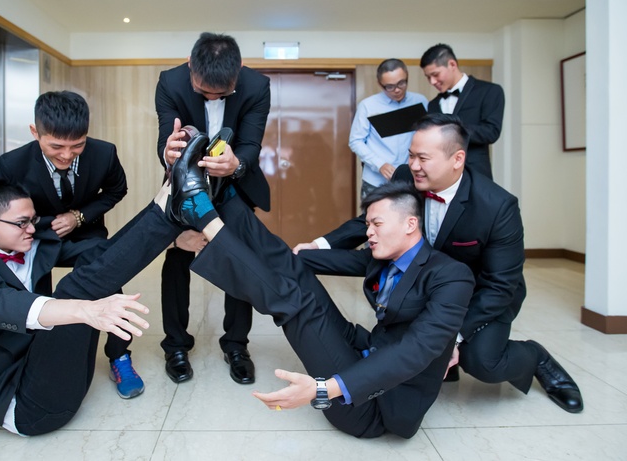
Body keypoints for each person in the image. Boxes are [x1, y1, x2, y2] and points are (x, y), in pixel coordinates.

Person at [164, 135, 475, 438]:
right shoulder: (388, 254)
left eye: (377, 224)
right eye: (367, 224)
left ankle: (203, 215)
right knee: (294, 269)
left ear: (410, 224)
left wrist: (324, 389)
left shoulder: (453, 278)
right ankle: (226, 199)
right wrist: (291, 257)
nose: (368, 233)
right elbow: (318, 261)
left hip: (373, 407)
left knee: (295, 304)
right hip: (364, 349)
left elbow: (413, 352)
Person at [293, 114, 584, 414]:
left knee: (482, 360)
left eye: (423, 158)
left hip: (481, 296)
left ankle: (536, 357)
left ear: (457, 159)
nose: (413, 165)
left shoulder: (497, 207)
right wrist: (320, 245)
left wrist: (451, 339)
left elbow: (500, 286)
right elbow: (371, 219)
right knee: (404, 341)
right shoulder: (406, 176)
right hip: (426, 284)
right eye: (411, 155)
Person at [0, 181, 161, 436]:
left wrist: (160, 204)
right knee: (75, 289)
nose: (31, 229)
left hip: (45, 363)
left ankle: (167, 209)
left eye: (33, 220)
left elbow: (105, 253)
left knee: (94, 264)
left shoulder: (32, 243)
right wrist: (82, 310)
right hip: (28, 409)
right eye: (22, 223)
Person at [0, 90, 143, 399]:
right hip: (35, 237)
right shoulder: (13, 163)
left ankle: (119, 356)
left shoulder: (103, 153)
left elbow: (116, 190)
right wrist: (45, 223)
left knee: (109, 276)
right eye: (56, 146)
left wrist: (79, 216)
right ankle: (25, 359)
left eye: (77, 145)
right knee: (29, 291)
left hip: (86, 235)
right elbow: (6, 211)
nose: (66, 155)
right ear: (35, 132)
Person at [155, 32, 271, 385]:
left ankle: (236, 345)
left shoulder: (257, 86)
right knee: (178, 258)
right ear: (191, 66)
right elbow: (166, 140)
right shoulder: (170, 82)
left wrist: (236, 164)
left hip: (234, 184)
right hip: (184, 182)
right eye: (204, 91)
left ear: (239, 71)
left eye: (222, 93)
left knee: (240, 261)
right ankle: (176, 345)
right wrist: (169, 153)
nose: (213, 98)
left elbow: (251, 144)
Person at [420, 44, 504, 179]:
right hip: (441, 177)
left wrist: (452, 130)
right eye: (428, 77)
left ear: (452, 64)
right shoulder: (433, 104)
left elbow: (491, 132)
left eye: (435, 74)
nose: (432, 81)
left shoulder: (489, 91)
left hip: (476, 174)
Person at [349, 59, 427, 199]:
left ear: (407, 76)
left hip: (410, 178)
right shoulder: (368, 106)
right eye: (390, 87)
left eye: (401, 83)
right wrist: (379, 164)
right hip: (376, 181)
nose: (397, 90)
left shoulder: (420, 101)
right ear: (380, 84)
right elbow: (356, 141)